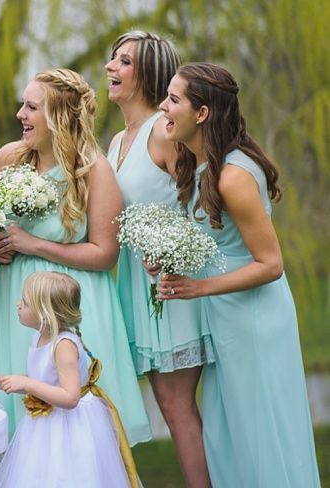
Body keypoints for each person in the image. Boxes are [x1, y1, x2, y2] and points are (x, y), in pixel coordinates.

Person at [156, 62, 319, 487]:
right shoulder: (199, 166)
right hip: (225, 315)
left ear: (203, 112)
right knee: (232, 433)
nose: (164, 106)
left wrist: (199, 288)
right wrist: (171, 258)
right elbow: (218, 245)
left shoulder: (232, 175)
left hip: (254, 319)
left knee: (262, 431)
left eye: (174, 99)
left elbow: (270, 264)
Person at [0, 67, 150, 444]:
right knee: (18, 412)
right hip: (17, 297)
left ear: (57, 117)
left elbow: (105, 253)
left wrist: (36, 245)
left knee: (77, 424)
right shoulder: (8, 159)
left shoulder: (93, 170)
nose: (20, 116)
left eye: (31, 108)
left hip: (70, 298)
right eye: (22, 106)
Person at [104, 31, 212, 485]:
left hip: (170, 289)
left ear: (146, 75)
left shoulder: (164, 132)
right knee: (149, 406)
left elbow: (204, 206)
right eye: (112, 59)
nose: (110, 67)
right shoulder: (115, 141)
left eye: (123, 62)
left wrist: (171, 250)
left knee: (176, 407)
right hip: (132, 285)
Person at [0, 271, 140, 488]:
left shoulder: (63, 346)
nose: (18, 305)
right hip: (45, 426)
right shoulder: (39, 336)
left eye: (25, 303)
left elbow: (70, 396)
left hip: (71, 427)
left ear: (45, 315)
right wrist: (0, 381)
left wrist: (27, 384)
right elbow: (43, 379)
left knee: (70, 476)